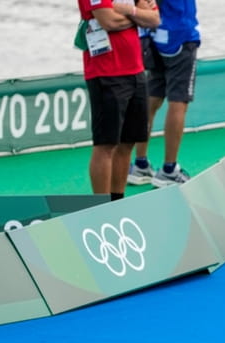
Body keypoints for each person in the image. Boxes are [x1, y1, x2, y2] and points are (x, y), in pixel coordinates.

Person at [77, 0, 160, 201]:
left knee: (127, 142)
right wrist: (137, 16)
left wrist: (130, 11)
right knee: (105, 145)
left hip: (136, 72)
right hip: (105, 74)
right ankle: (101, 206)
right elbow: (109, 21)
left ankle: (117, 201)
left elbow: (154, 19)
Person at [127, 0, 201, 188]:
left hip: (154, 37)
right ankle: (169, 170)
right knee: (178, 102)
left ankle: (140, 164)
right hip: (180, 36)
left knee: (151, 100)